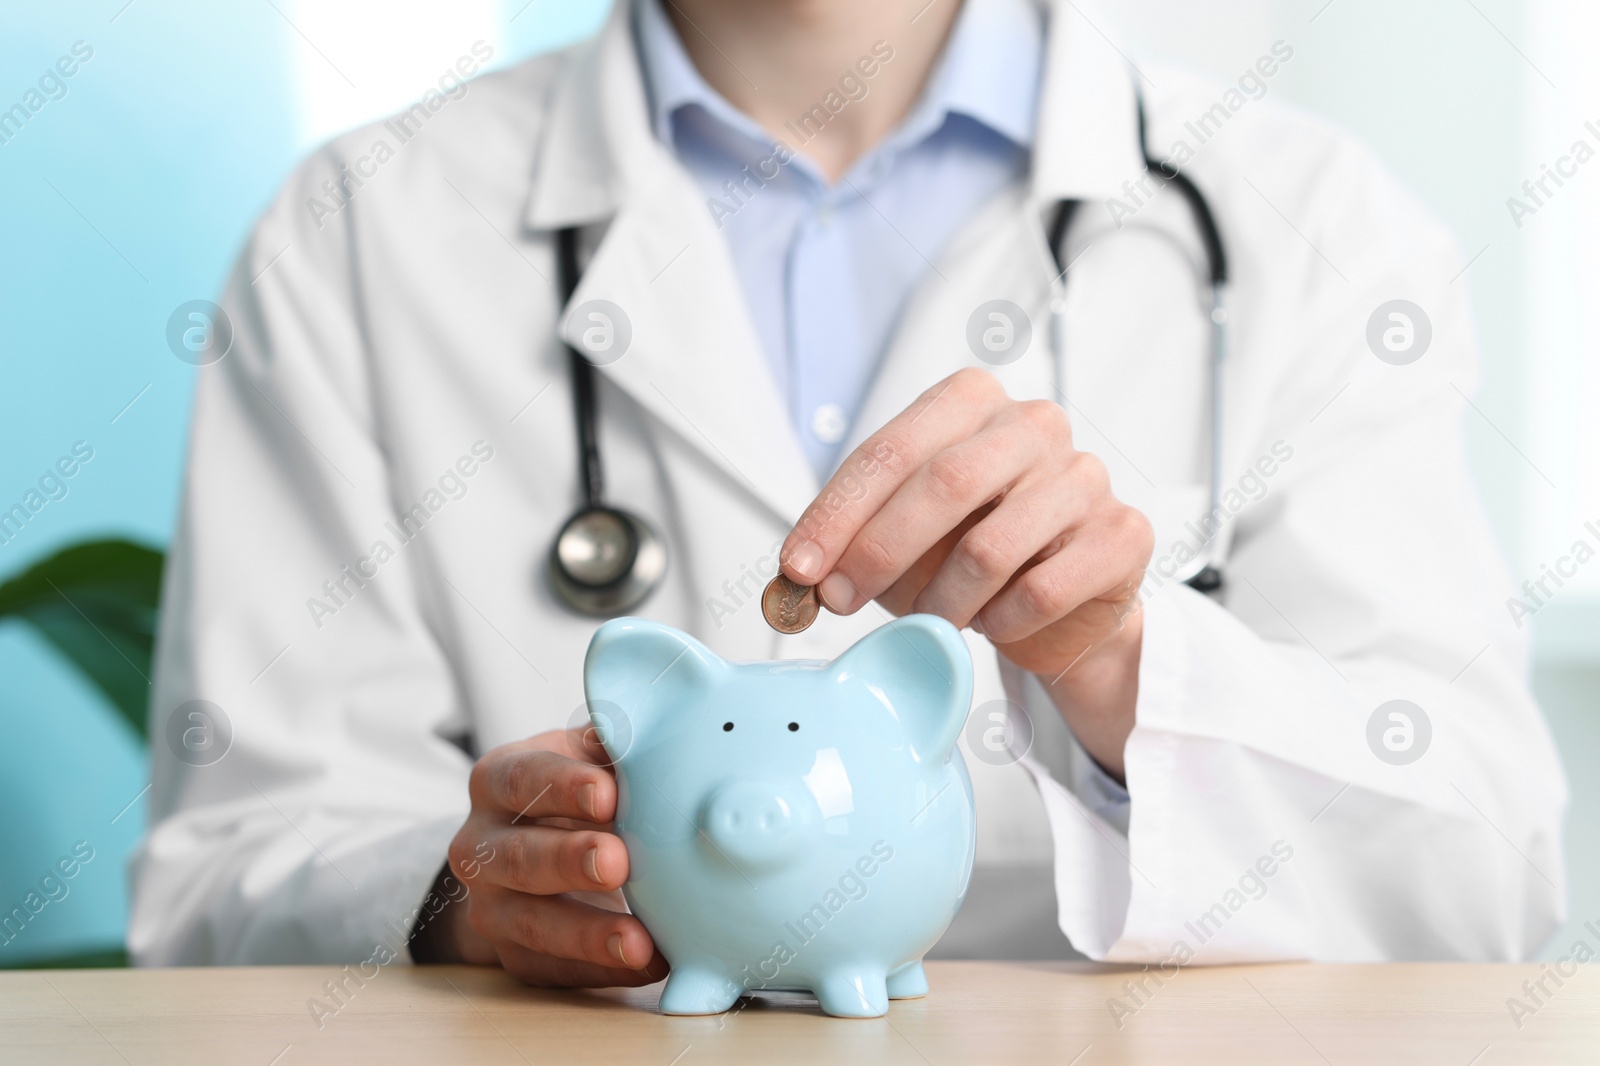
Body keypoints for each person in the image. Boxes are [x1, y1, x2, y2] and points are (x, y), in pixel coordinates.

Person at [131, 0, 1567, 986]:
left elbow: (1479, 882)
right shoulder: (360, 237)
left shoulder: (1309, 229)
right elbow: (220, 889)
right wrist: (455, 903)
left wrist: (1125, 671)